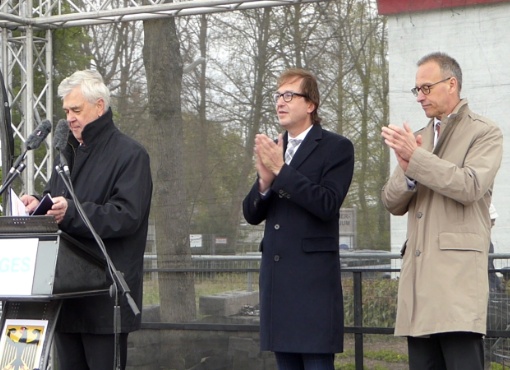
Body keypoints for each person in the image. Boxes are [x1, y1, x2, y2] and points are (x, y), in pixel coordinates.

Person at [21, 70, 153, 370]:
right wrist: (37, 204)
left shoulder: (131, 155)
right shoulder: (65, 152)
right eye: (67, 111)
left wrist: (70, 212)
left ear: (99, 106)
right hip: (66, 297)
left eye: (76, 110)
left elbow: (126, 216)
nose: (70, 118)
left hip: (105, 300)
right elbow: (58, 198)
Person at [381, 52, 503, 370]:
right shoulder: (418, 139)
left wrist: (416, 159)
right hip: (418, 286)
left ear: (452, 84)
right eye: (416, 90)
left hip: (456, 287)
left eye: (426, 88)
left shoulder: (485, 132)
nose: (420, 97)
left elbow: (470, 185)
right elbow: (391, 202)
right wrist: (407, 171)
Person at [242, 68, 354, 370]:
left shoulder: (336, 147)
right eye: (278, 95)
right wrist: (264, 182)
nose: (281, 102)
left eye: (289, 95)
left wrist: (282, 171)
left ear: (310, 104)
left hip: (312, 287)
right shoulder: (276, 147)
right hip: (278, 284)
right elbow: (251, 214)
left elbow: (327, 204)